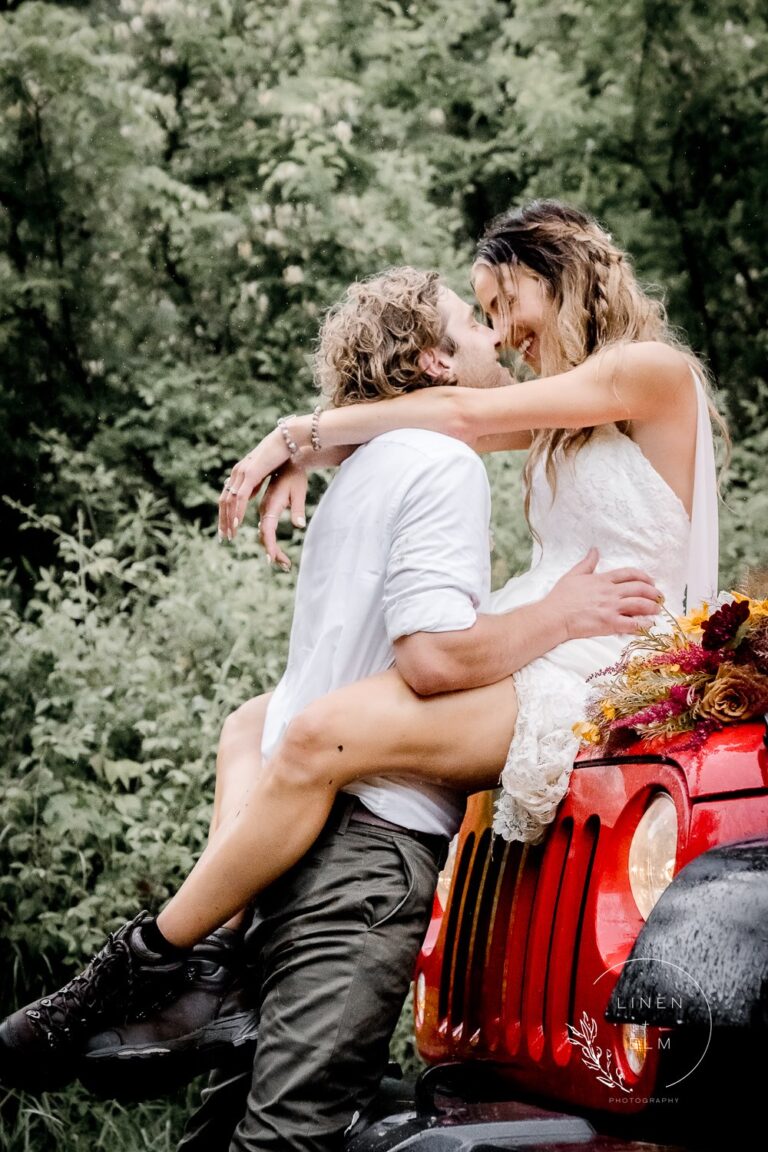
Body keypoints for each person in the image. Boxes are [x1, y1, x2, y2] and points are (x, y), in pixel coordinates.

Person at [0, 262, 660, 1135]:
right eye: (474, 322)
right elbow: (430, 659)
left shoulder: (365, 474)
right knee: (289, 1132)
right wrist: (560, 614)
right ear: (432, 359)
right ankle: (134, 969)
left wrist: (308, 441)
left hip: (293, 847)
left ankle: (162, 969)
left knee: (230, 1123)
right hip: (368, 859)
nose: (494, 337)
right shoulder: (440, 466)